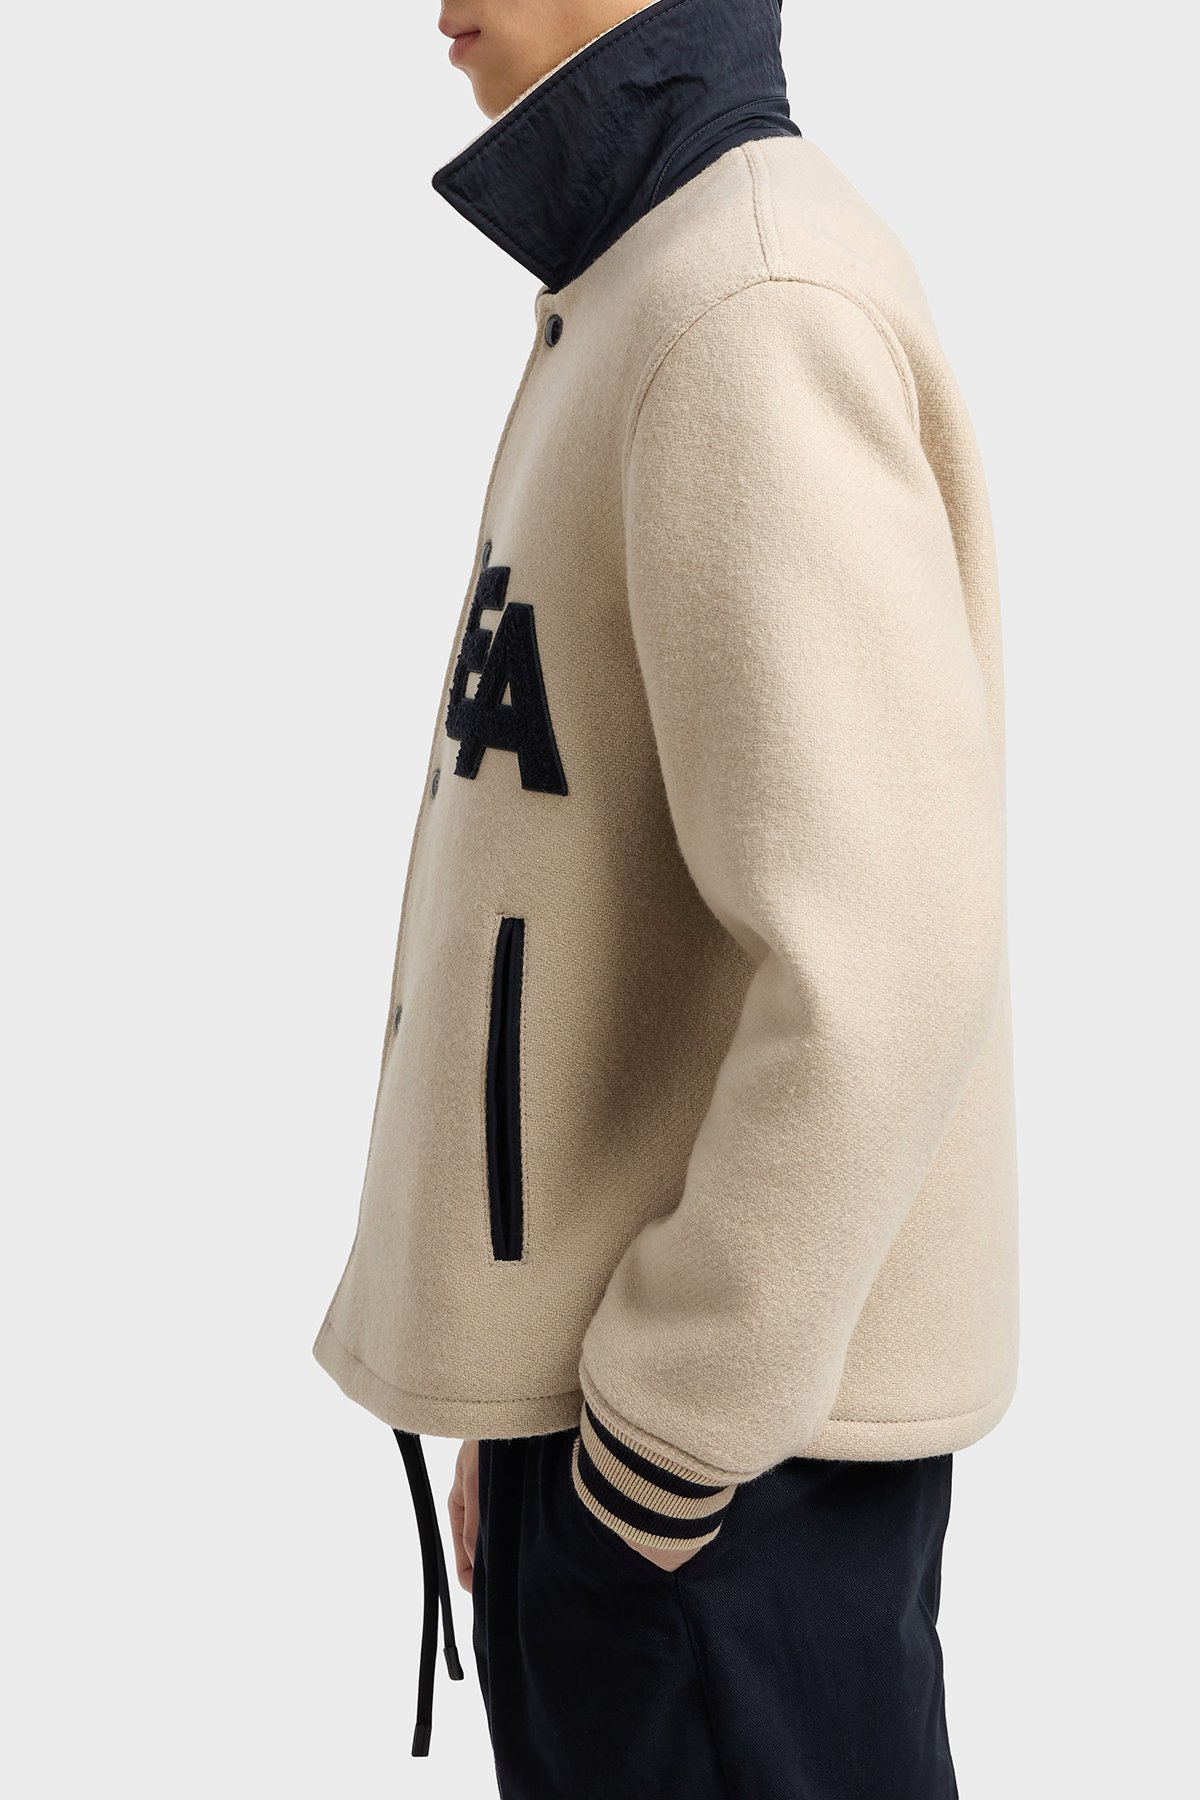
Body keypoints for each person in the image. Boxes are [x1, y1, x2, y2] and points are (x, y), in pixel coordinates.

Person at [313, 1, 1018, 1793]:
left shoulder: (745, 300)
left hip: (723, 1500)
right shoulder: (649, 279)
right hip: (659, 1465)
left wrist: (653, 1442)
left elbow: (885, 970)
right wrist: (523, 1395)